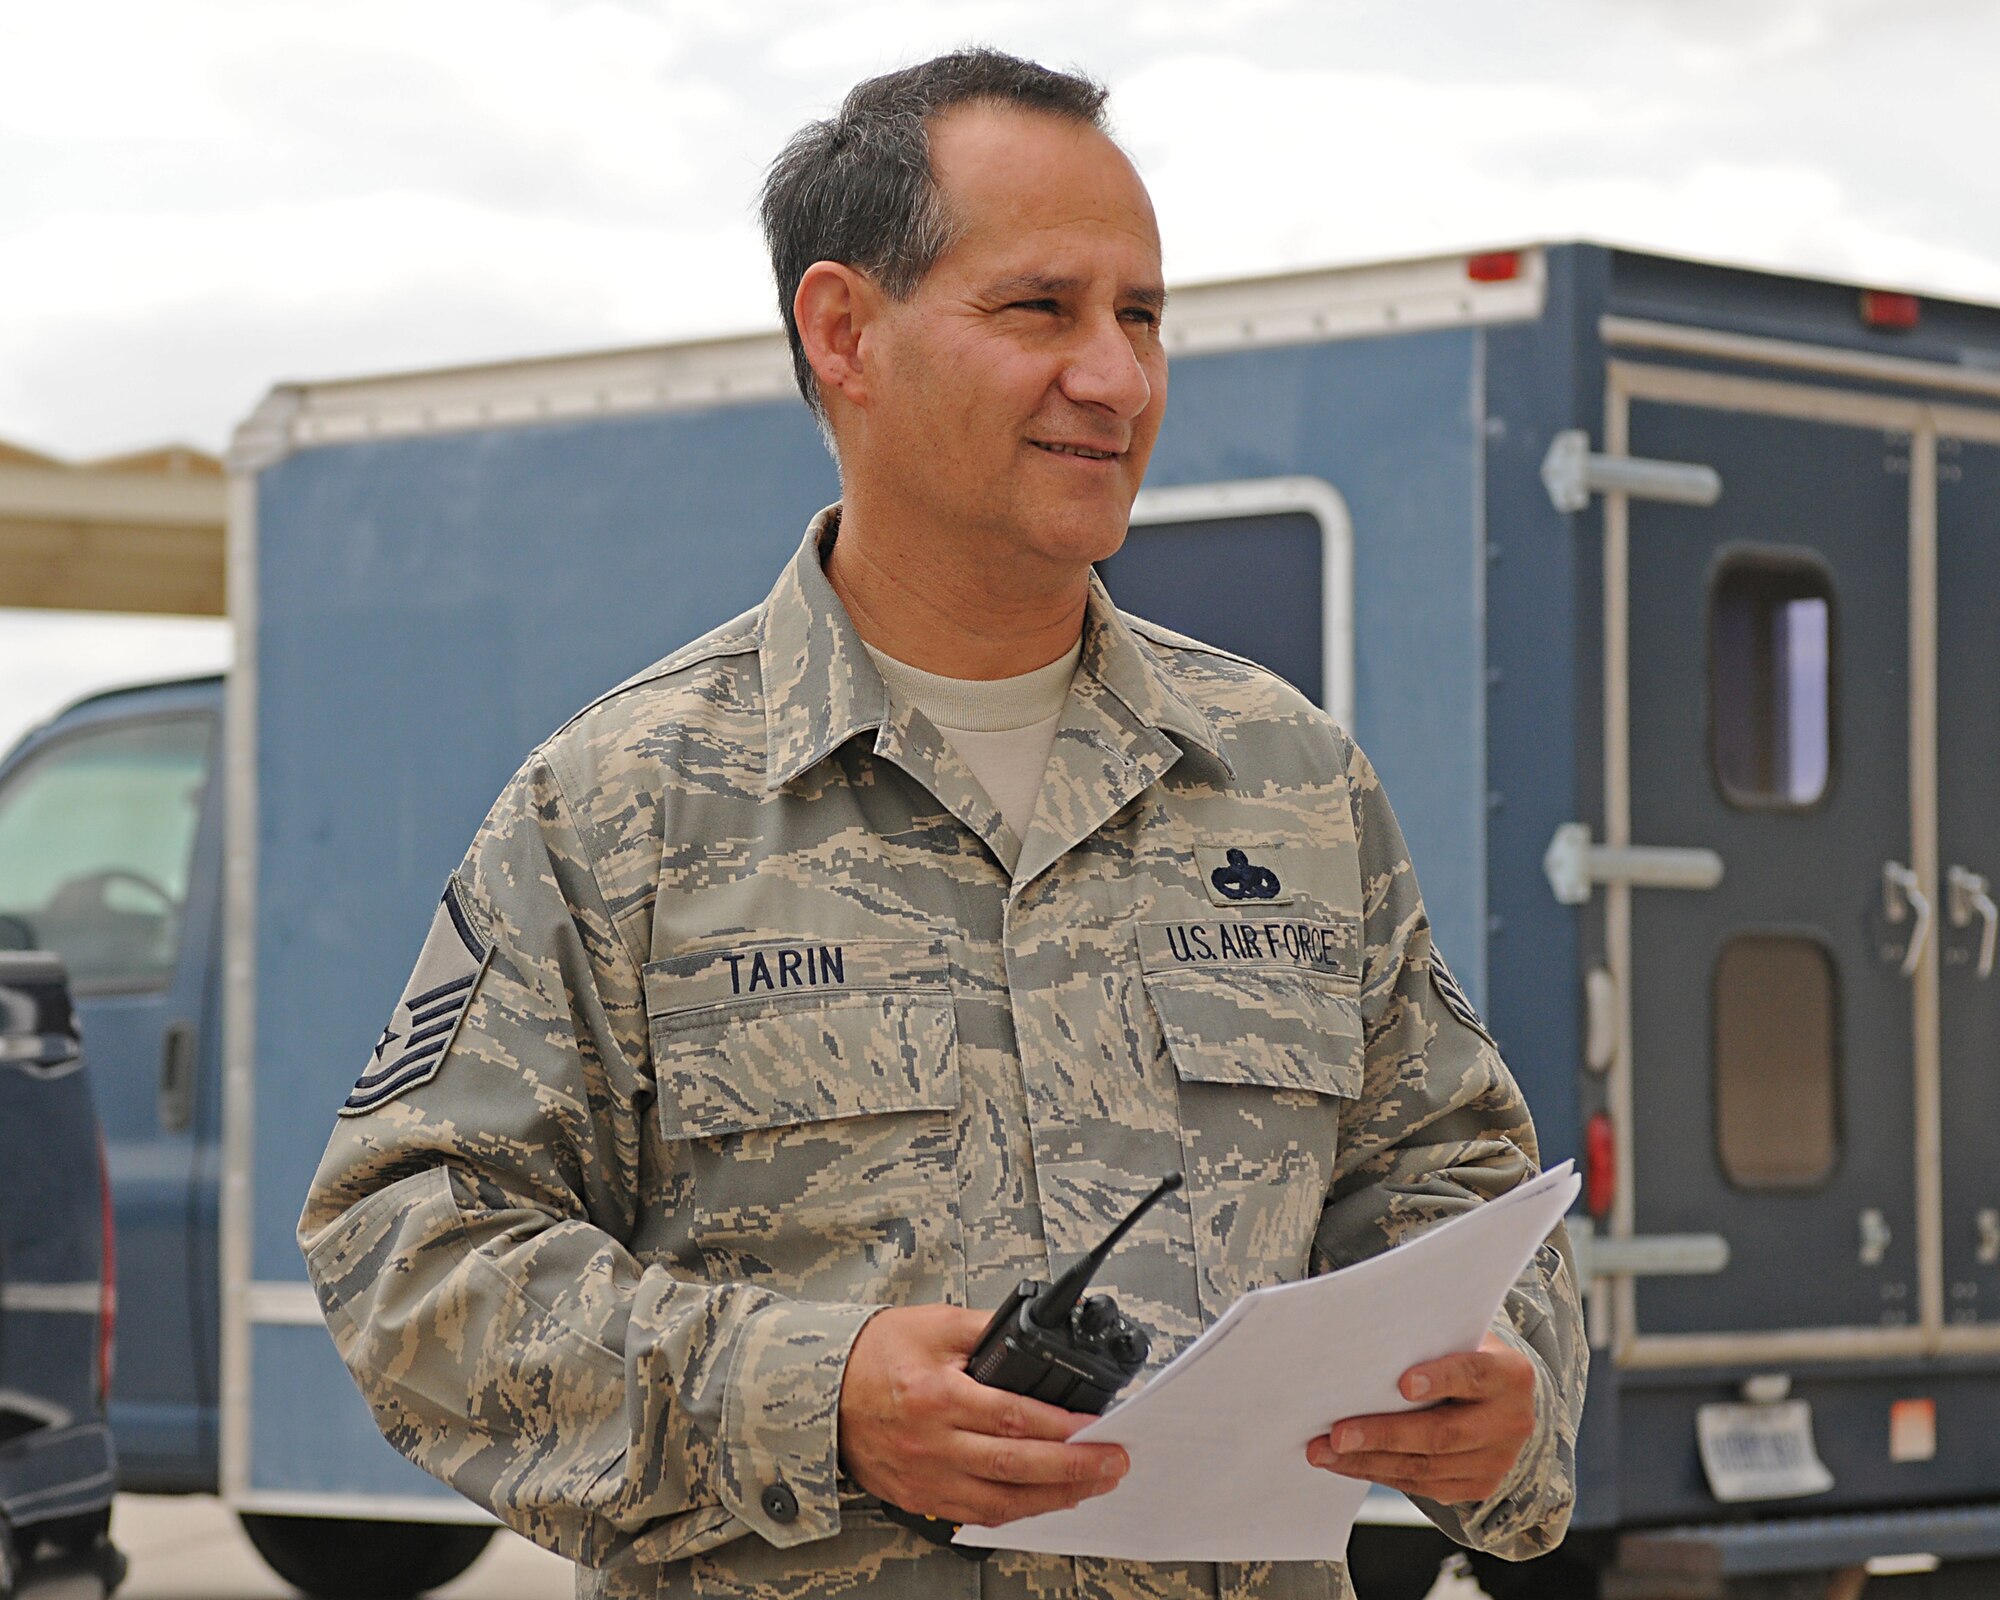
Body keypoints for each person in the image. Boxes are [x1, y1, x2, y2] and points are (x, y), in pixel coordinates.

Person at [300, 47, 1585, 1600]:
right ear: (845, 331)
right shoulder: (624, 804)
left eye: (1144, 317)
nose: (1115, 376)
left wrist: (1500, 1395)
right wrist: (813, 1397)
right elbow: (412, 1257)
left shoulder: (1290, 780)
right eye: (1041, 310)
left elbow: (1463, 1188)